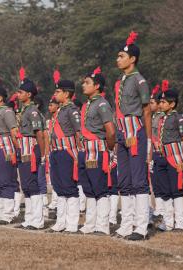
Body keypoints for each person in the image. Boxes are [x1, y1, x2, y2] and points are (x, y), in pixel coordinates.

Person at [114, 32, 152, 240]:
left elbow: (146, 111)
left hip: (135, 131)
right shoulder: (121, 81)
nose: (118, 59)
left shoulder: (139, 81)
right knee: (125, 181)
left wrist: (147, 139)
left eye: (121, 56)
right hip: (121, 132)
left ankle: (141, 226)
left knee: (138, 181)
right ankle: (127, 224)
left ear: (132, 59)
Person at [79, 67, 116, 235]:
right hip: (85, 150)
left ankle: (102, 226)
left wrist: (108, 150)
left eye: (87, 83)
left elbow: (110, 130)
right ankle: (90, 223)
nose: (83, 85)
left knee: (100, 188)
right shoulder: (87, 105)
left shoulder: (102, 104)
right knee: (88, 188)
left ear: (97, 86)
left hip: (97, 149)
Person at [49, 79, 81, 233]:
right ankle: (61, 222)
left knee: (69, 187)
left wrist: (79, 154)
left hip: (67, 151)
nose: (55, 94)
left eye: (58, 91)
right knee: (58, 187)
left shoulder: (71, 110)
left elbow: (79, 132)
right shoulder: (61, 110)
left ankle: (72, 223)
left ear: (66, 94)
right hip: (56, 151)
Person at [0, 79, 20, 224]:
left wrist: (15, 152)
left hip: (5, 149)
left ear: (0, 98)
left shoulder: (7, 111)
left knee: (6, 181)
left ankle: (7, 214)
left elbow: (14, 132)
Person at [156, 83, 183, 232]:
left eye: (163, 102)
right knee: (165, 190)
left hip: (174, 158)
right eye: (160, 101)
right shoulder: (162, 119)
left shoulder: (179, 119)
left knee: (176, 190)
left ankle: (180, 223)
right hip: (162, 157)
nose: (160, 104)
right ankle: (169, 222)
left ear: (172, 104)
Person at [16, 77, 46, 229]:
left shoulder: (33, 111)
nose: (18, 95)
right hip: (23, 150)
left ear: (29, 94)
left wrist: (42, 153)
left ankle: (38, 220)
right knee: (26, 186)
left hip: (31, 150)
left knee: (33, 185)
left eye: (20, 92)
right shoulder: (24, 110)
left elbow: (39, 134)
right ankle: (29, 218)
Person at [149, 84, 165, 220]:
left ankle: (163, 210)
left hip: (160, 152)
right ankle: (159, 209)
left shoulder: (161, 117)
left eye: (152, 102)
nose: (150, 105)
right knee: (155, 182)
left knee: (160, 182)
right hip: (153, 152)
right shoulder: (154, 116)